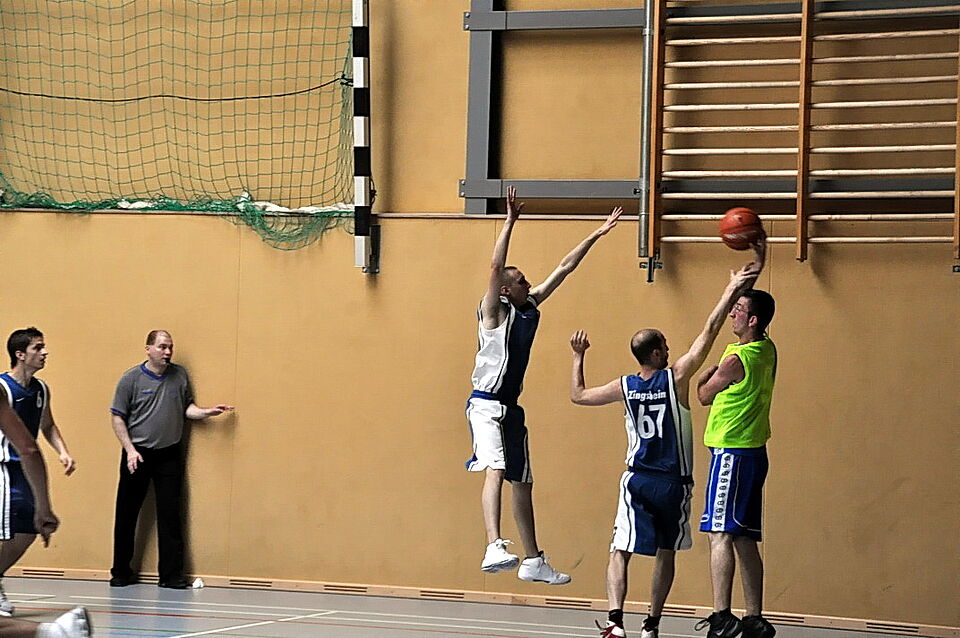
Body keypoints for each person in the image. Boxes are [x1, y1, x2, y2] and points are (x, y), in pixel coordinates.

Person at [569, 245, 764, 638]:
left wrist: (578, 356)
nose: (671, 350)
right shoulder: (676, 378)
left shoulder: (624, 386)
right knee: (665, 551)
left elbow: (579, 395)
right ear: (657, 352)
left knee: (619, 549)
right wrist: (730, 290)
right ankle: (651, 625)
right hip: (673, 483)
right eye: (666, 346)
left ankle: (615, 621)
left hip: (637, 478)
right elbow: (709, 330)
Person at [466, 186, 621, 585]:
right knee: (496, 468)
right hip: (485, 405)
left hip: (511, 407)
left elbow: (565, 268)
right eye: (521, 281)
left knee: (523, 481)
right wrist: (509, 222)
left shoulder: (529, 305)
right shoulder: (493, 312)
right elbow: (494, 267)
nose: (529, 283)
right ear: (505, 289)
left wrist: (596, 234)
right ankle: (493, 544)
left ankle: (533, 560)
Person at [109, 330, 233, 589]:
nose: (167, 352)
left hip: (169, 454)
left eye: (170, 347)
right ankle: (121, 572)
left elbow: (187, 408)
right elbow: (117, 416)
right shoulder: (131, 379)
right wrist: (130, 450)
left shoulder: (179, 375)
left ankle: (171, 575)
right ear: (148, 349)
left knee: (170, 514)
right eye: (162, 347)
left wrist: (207, 412)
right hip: (137, 453)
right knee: (127, 514)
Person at [694, 274, 778, 638]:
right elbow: (760, 306)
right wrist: (753, 269)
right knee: (744, 538)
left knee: (719, 533)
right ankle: (754, 618)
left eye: (739, 309)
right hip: (755, 452)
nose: (732, 313)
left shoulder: (735, 359)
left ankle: (722, 616)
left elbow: (702, 395)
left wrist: (706, 377)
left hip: (732, 452)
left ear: (753, 320)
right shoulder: (767, 349)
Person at [0, 358, 91, 636]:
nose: (44, 352)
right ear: (20, 354)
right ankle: (52, 632)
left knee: (26, 530)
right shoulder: (4, 387)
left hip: (23, 472)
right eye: (37, 347)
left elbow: (43, 430)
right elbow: (28, 449)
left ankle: (52, 632)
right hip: (6, 470)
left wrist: (63, 452)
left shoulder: (40, 389)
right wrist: (44, 507)